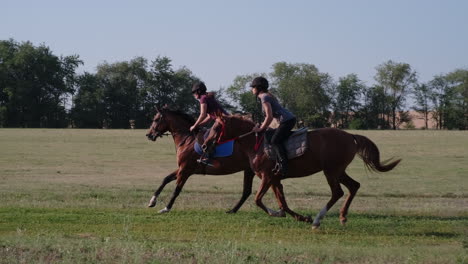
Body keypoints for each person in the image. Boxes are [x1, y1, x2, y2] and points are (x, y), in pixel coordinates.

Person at [250, 76, 296, 176]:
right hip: (287, 120)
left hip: (287, 121)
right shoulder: (265, 96)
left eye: (253, 87)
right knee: (268, 136)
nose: (251, 89)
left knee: (275, 140)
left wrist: (261, 128)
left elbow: (269, 116)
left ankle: (284, 165)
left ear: (258, 88)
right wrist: (262, 126)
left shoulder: (264, 97)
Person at [189, 81, 228, 165]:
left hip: (222, 120)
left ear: (198, 91)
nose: (193, 95)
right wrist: (198, 125)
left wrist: (194, 125)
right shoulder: (207, 97)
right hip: (224, 119)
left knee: (207, 137)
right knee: (207, 133)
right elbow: (209, 117)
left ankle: (209, 158)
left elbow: (202, 114)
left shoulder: (203, 99)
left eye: (194, 92)